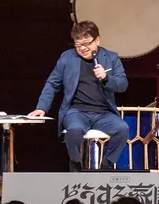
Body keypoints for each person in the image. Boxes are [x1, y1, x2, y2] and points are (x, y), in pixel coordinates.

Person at [28, 21, 129, 171]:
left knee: (123, 129)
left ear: (97, 40)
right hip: (76, 112)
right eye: (78, 44)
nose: (83, 48)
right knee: (74, 130)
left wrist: (107, 77)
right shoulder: (67, 58)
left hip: (104, 113)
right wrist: (42, 107)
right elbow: (52, 83)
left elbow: (122, 84)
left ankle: (106, 165)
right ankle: (75, 164)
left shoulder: (111, 58)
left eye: (87, 43)